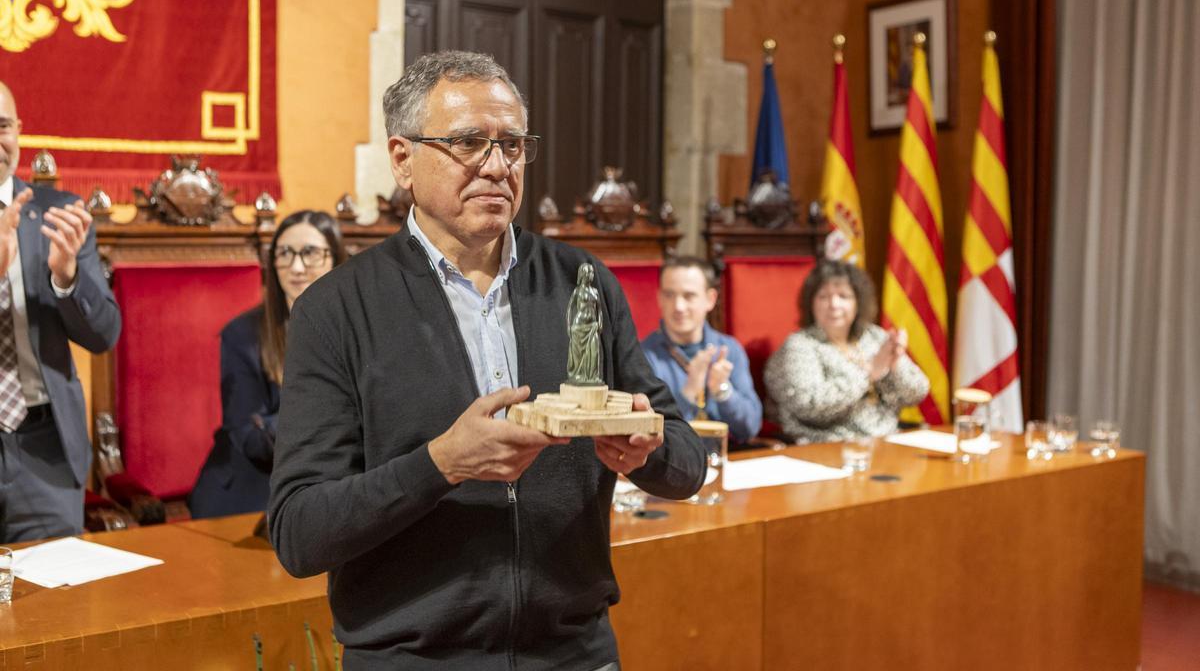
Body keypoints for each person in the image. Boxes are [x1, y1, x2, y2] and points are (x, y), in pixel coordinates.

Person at [268, 50, 705, 669]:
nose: (498, 166)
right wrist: (440, 465)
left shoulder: (583, 284)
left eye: (513, 145)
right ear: (403, 160)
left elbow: (688, 463)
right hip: (414, 656)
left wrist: (647, 449)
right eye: (470, 142)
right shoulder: (336, 310)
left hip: (572, 651)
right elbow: (299, 532)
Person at [0, 82, 122, 542]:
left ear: (19, 132)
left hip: (44, 450)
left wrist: (66, 276)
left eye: (3, 126)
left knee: (55, 609)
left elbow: (104, 334)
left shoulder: (59, 214)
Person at [188, 210, 346, 519]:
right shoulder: (242, 334)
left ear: (335, 258)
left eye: (310, 253)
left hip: (331, 488)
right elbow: (250, 437)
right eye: (285, 253)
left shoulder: (357, 328)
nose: (296, 267)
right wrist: (331, 418)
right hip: (251, 494)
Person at [763, 258, 929, 444]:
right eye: (824, 297)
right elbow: (809, 407)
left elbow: (916, 393)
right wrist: (868, 374)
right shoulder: (800, 345)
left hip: (888, 439)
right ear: (811, 303)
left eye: (843, 296)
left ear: (858, 302)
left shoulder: (874, 336)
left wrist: (896, 363)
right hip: (828, 445)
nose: (834, 304)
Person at [640, 256, 763, 444]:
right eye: (669, 295)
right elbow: (645, 435)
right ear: (659, 298)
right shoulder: (643, 356)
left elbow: (750, 428)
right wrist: (688, 392)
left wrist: (722, 390)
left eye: (689, 296)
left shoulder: (730, 349)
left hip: (728, 462)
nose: (678, 306)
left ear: (710, 299)